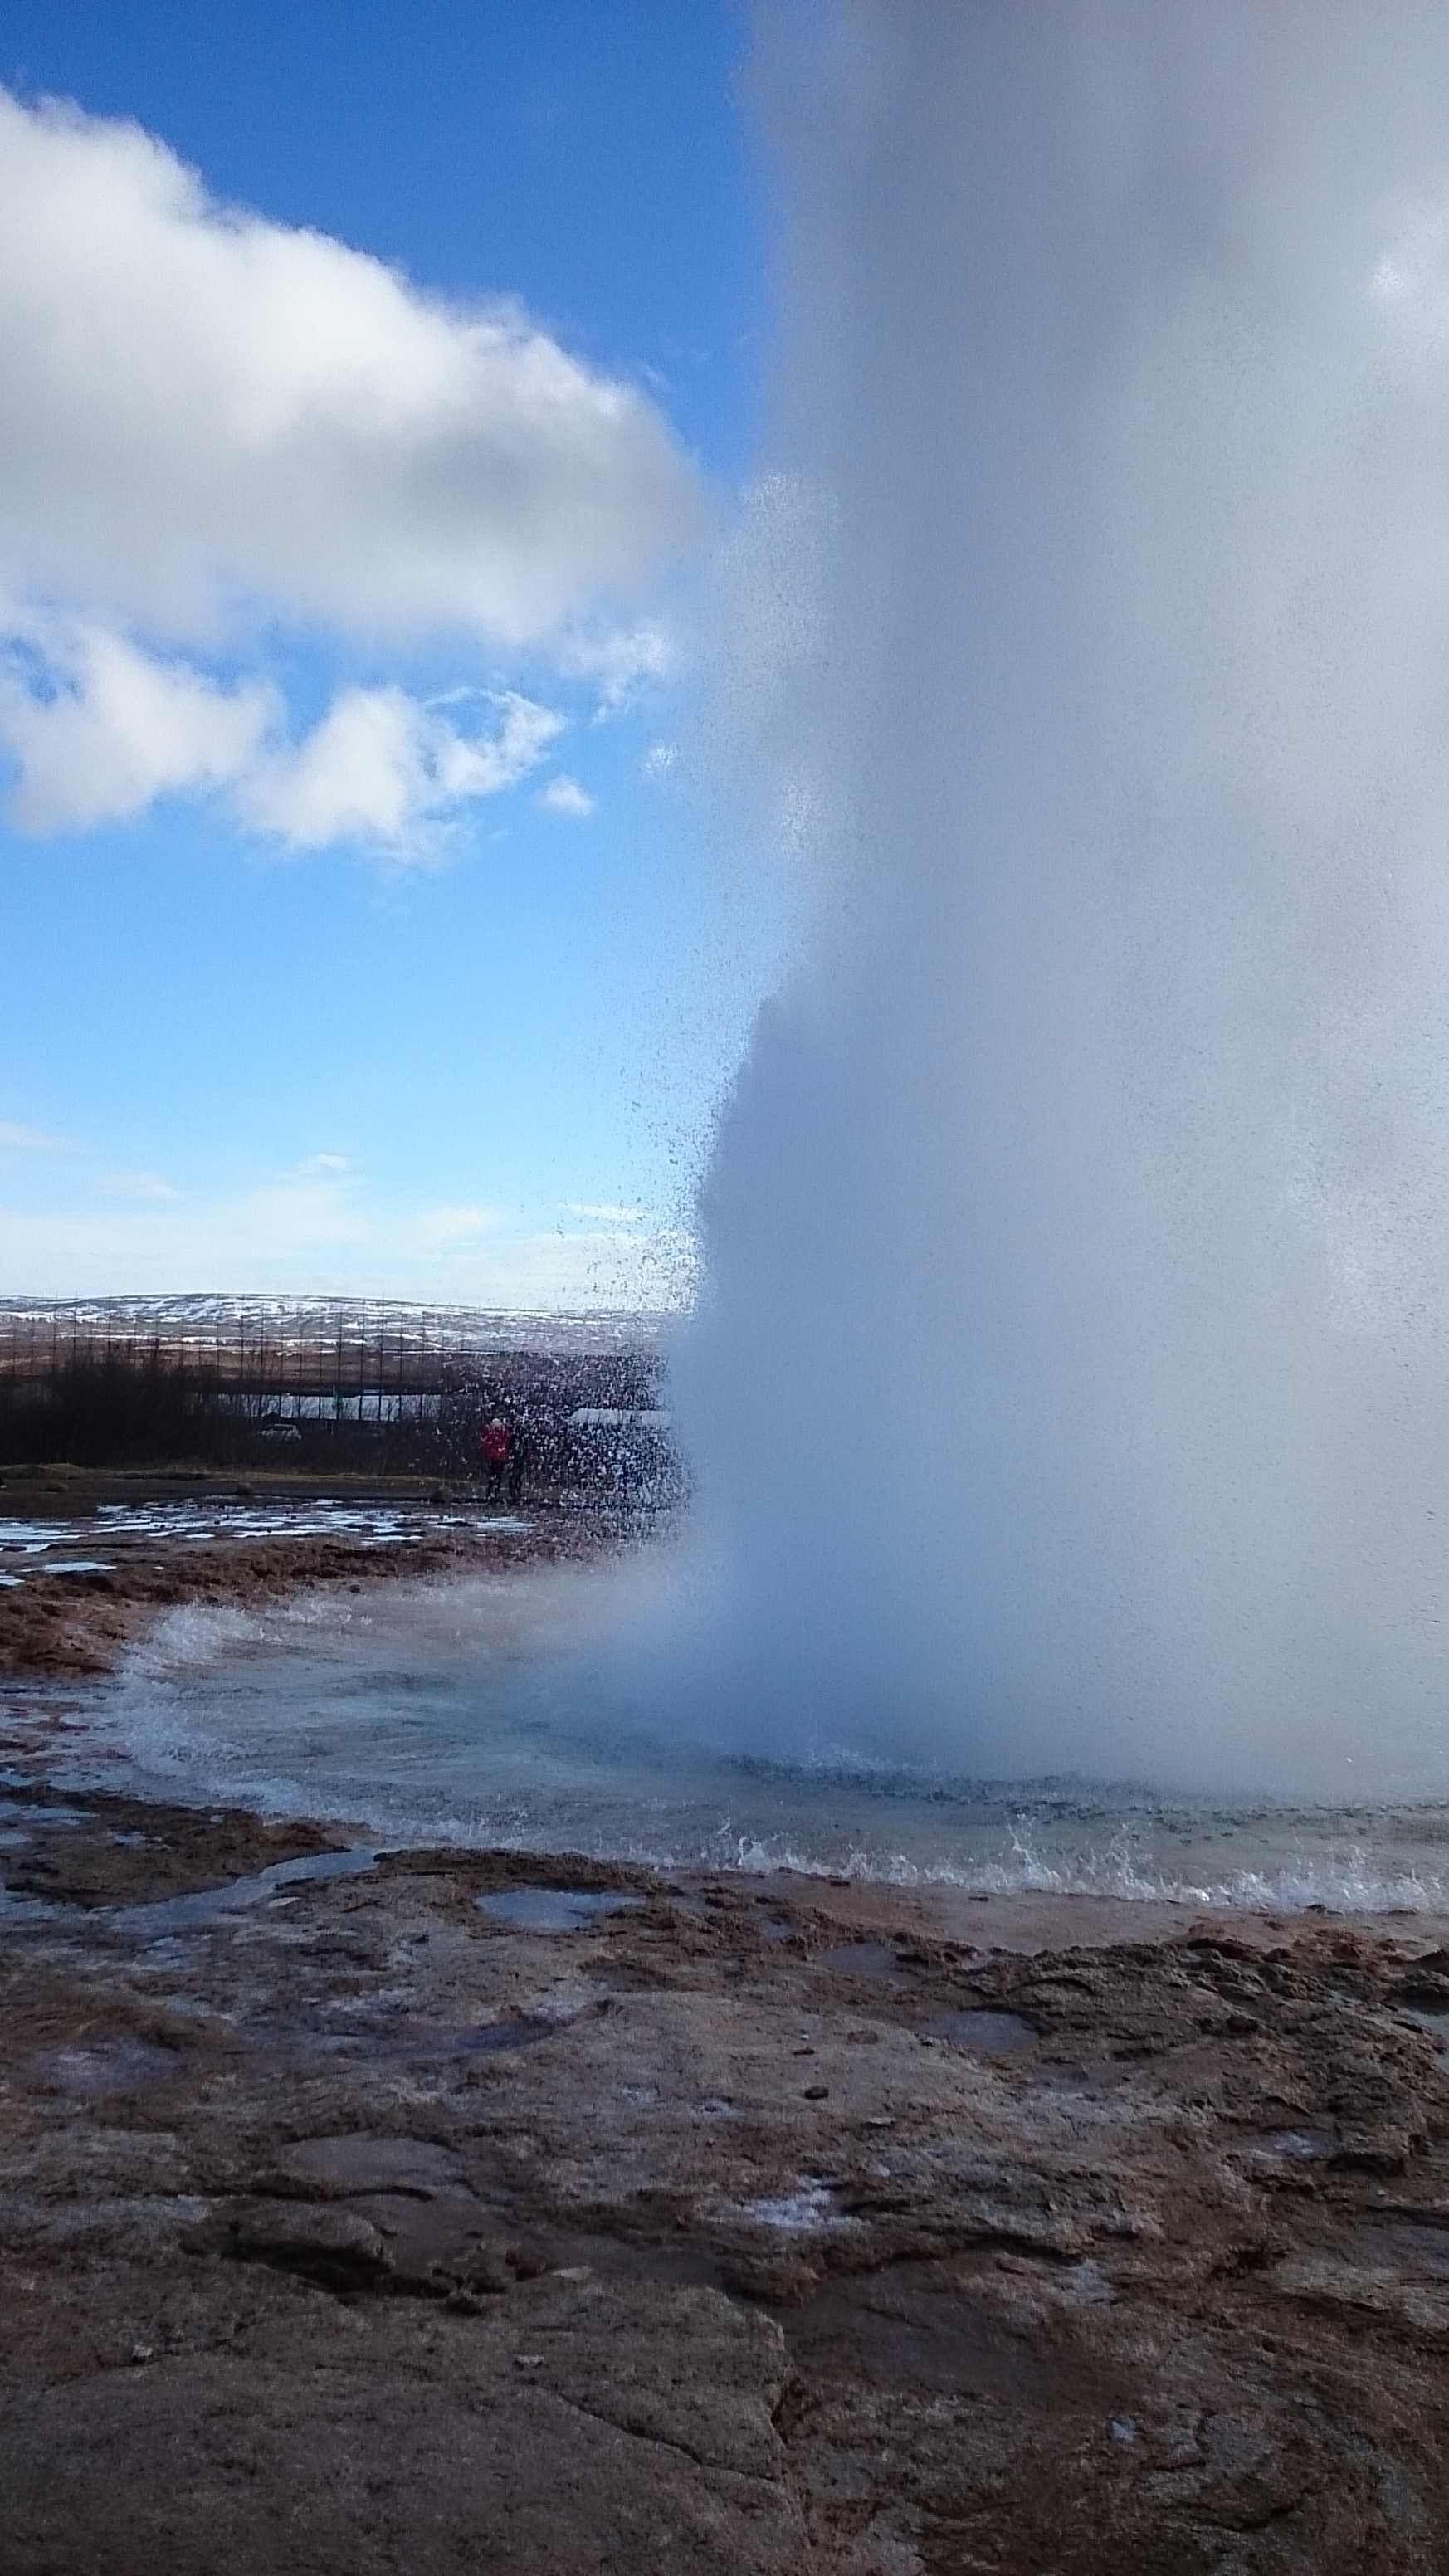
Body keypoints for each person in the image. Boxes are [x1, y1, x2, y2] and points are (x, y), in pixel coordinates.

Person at [479, 1414, 511, 1503]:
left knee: (497, 1477)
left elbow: (507, 1438)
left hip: (499, 1458)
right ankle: (491, 1493)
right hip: (494, 1458)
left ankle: (494, 1493)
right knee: (494, 1476)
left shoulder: (501, 1434)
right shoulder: (492, 1434)